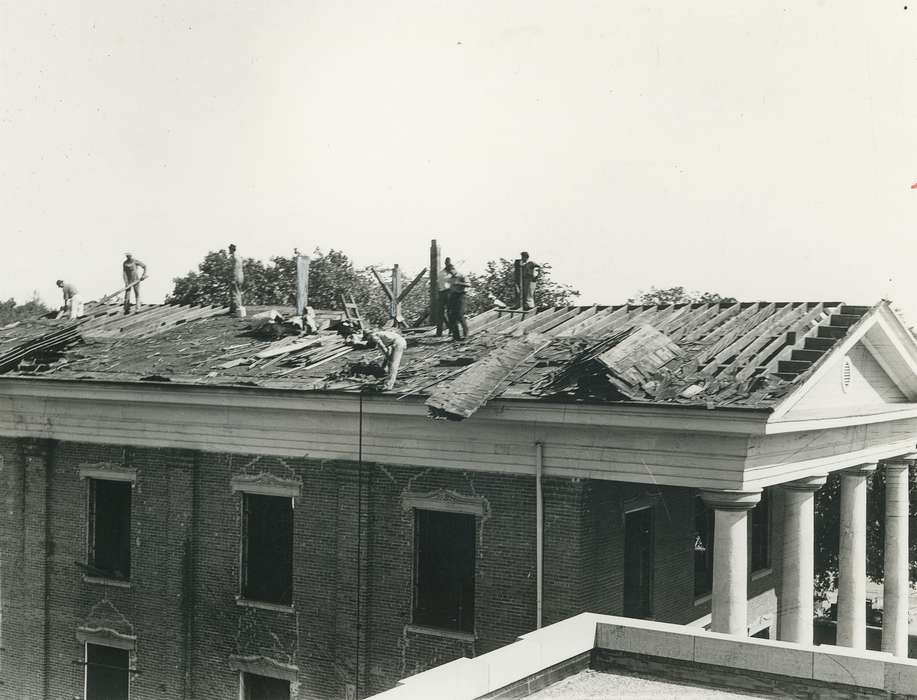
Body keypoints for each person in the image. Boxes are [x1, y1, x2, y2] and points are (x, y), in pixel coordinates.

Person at [447, 266, 470, 341]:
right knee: (452, 316)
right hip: (453, 297)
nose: (450, 273)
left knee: (460, 315)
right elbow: (451, 288)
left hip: (461, 296)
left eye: (451, 272)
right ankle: (456, 336)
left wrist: (459, 283)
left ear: (454, 269)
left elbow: (469, 284)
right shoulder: (451, 278)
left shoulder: (462, 276)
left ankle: (466, 334)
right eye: (449, 273)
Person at [435, 257, 452, 336]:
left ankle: (442, 331)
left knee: (442, 313)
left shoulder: (441, 273)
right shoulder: (446, 273)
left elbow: (438, 284)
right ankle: (448, 330)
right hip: (446, 292)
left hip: (442, 292)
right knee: (445, 313)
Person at [228, 244, 246, 318]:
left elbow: (234, 268)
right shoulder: (239, 257)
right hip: (241, 276)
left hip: (236, 276)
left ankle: (236, 310)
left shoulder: (233, 257)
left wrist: (233, 278)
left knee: (234, 293)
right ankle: (238, 308)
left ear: (231, 249)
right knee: (238, 292)